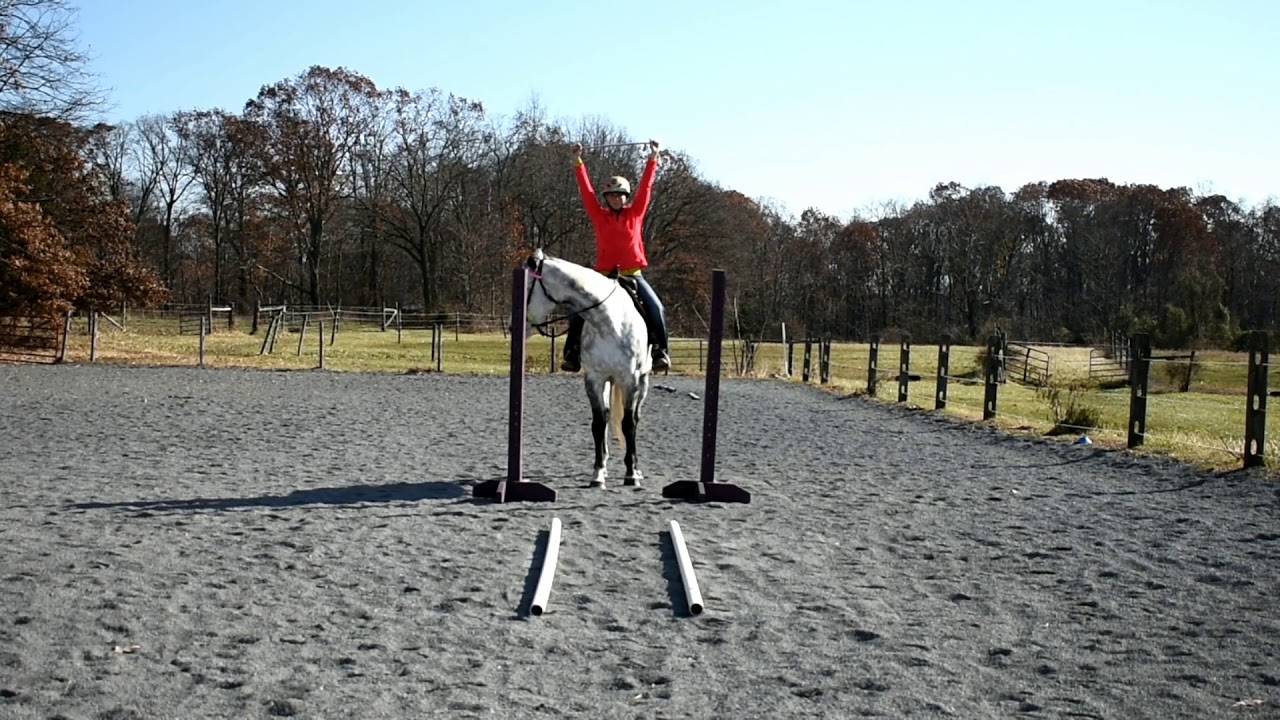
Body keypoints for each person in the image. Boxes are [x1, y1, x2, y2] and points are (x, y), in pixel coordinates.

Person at [560, 139, 671, 373]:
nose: (615, 199)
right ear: (606, 198)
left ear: (626, 197)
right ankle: (571, 354)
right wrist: (577, 161)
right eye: (610, 195)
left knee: (657, 308)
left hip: (633, 276)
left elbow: (646, 188)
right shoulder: (599, 215)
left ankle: (661, 352)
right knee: (579, 309)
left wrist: (653, 157)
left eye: (619, 195)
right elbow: (586, 191)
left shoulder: (636, 213)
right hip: (603, 276)